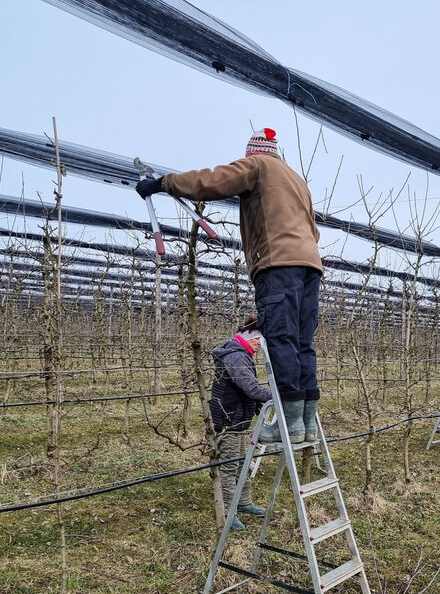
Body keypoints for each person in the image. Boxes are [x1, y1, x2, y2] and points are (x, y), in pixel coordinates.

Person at [137, 128, 322, 444]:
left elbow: (213, 181)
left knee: (280, 341)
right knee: (302, 342)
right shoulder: (297, 181)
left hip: (276, 263)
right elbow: (312, 230)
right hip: (310, 266)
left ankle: (288, 425)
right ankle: (305, 422)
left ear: (254, 152)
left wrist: (163, 183)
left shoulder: (258, 165)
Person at [210, 316, 272, 531]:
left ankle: (244, 502)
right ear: (251, 337)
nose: (260, 345)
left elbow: (249, 391)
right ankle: (228, 512)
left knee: (241, 463)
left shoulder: (242, 354)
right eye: (258, 340)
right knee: (229, 467)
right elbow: (251, 388)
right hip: (228, 419)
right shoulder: (236, 357)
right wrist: (280, 396)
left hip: (238, 418)